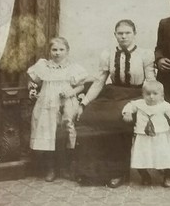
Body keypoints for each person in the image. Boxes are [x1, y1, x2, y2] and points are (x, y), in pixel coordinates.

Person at [74, 20, 156, 188]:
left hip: (135, 95)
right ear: (115, 35)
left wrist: (150, 104)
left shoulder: (145, 54)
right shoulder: (107, 54)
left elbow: (151, 82)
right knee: (89, 116)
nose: (124, 36)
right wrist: (84, 103)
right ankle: (93, 172)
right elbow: (99, 82)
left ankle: (119, 172)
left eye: (127, 33)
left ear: (134, 34)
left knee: (117, 119)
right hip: (113, 93)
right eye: (120, 33)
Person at [27, 37, 87, 182]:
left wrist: (70, 93)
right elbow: (33, 82)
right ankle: (50, 168)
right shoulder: (43, 66)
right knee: (48, 132)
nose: (57, 53)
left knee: (66, 132)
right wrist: (32, 88)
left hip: (66, 103)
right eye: (54, 50)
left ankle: (65, 167)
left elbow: (81, 86)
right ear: (49, 51)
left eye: (61, 50)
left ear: (67, 51)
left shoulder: (73, 68)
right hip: (46, 104)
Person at [122, 80, 170, 187]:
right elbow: (129, 106)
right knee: (141, 156)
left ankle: (168, 176)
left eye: (155, 94)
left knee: (165, 155)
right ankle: (145, 176)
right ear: (143, 94)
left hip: (161, 135)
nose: (151, 97)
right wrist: (127, 113)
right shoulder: (139, 104)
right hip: (143, 136)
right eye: (148, 94)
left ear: (162, 95)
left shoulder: (164, 105)